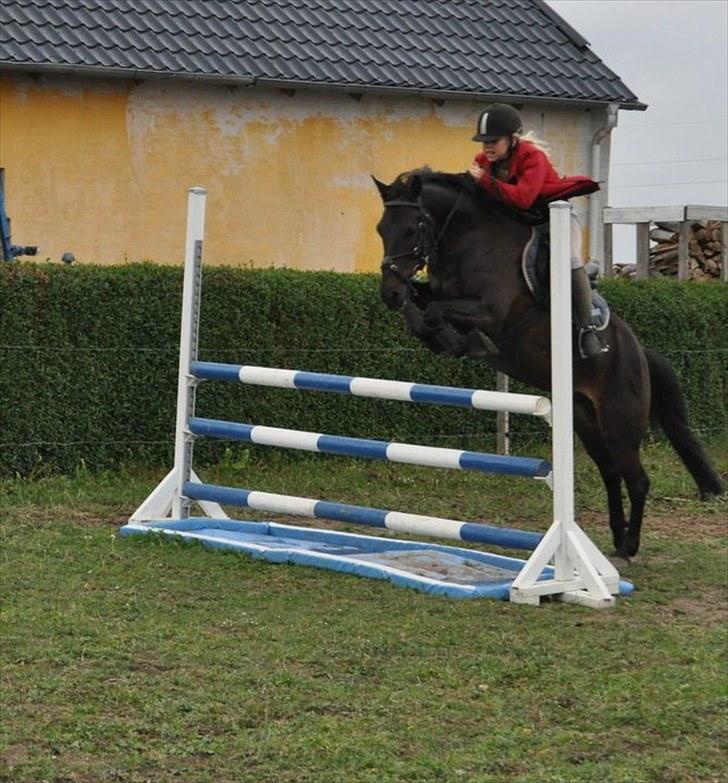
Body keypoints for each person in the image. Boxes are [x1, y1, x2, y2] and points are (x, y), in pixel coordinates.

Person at [468, 103, 607, 359]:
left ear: (512, 140)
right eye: (483, 142)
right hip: (523, 224)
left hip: (557, 218)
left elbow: (523, 198)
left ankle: (588, 329)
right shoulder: (483, 162)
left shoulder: (533, 157)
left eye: (492, 141)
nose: (486, 147)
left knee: (569, 259)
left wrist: (485, 182)